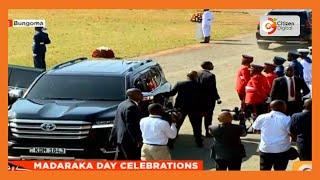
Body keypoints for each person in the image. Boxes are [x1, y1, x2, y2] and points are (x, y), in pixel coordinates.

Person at [163, 71, 203, 147]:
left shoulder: (180, 83)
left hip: (180, 108)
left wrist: (162, 94)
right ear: (196, 77)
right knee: (197, 126)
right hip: (195, 109)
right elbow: (202, 98)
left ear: (187, 76)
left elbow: (172, 93)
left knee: (176, 125)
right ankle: (199, 143)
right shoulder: (199, 85)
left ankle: (171, 143)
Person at [253, 100, 292, 170]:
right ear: (284, 108)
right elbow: (291, 133)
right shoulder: (287, 119)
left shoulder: (262, 117)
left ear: (270, 107)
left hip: (265, 149)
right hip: (282, 150)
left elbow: (255, 129)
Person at [109, 88, 143, 160]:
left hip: (120, 137)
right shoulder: (131, 107)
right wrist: (137, 140)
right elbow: (130, 126)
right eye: (139, 94)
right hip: (128, 140)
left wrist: (113, 136)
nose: (142, 95)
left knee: (120, 159)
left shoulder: (122, 104)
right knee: (132, 159)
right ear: (133, 95)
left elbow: (116, 121)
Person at [198, 61, 222, 138]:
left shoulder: (197, 73)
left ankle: (198, 133)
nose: (213, 66)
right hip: (208, 101)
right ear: (207, 66)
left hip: (198, 100)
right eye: (211, 65)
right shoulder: (211, 76)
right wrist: (217, 98)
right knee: (208, 118)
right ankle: (208, 133)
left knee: (198, 118)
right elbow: (213, 89)